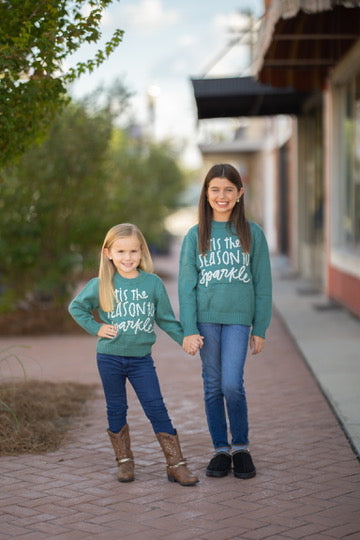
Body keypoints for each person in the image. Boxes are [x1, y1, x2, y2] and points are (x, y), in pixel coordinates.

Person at [69, 223, 202, 486]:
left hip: (141, 360)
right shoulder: (101, 284)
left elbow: (165, 319)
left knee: (156, 407)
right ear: (108, 253)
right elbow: (77, 307)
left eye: (133, 251)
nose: (127, 258)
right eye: (120, 252)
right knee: (116, 408)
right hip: (109, 358)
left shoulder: (152, 283)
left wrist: (184, 339)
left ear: (142, 252)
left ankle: (176, 464)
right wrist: (96, 327)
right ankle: (125, 462)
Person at [180, 164, 272, 480]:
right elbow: (185, 286)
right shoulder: (195, 236)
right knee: (212, 385)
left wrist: (260, 328)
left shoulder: (253, 233)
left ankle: (241, 447)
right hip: (206, 321)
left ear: (239, 194)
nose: (222, 196)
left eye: (229, 189)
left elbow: (263, 283)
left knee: (232, 384)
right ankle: (221, 449)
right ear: (206, 194)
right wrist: (189, 329)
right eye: (215, 189)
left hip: (237, 321)